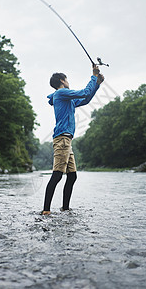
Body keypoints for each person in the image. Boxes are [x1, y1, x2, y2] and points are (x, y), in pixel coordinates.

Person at [42, 64, 104, 215]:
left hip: (66, 141)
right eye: (67, 79)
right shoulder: (62, 93)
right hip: (62, 139)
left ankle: (65, 208)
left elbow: (86, 98)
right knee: (57, 175)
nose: (68, 82)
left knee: (72, 175)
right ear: (62, 81)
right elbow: (83, 92)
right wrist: (94, 76)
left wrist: (97, 85)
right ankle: (46, 210)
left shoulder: (65, 98)